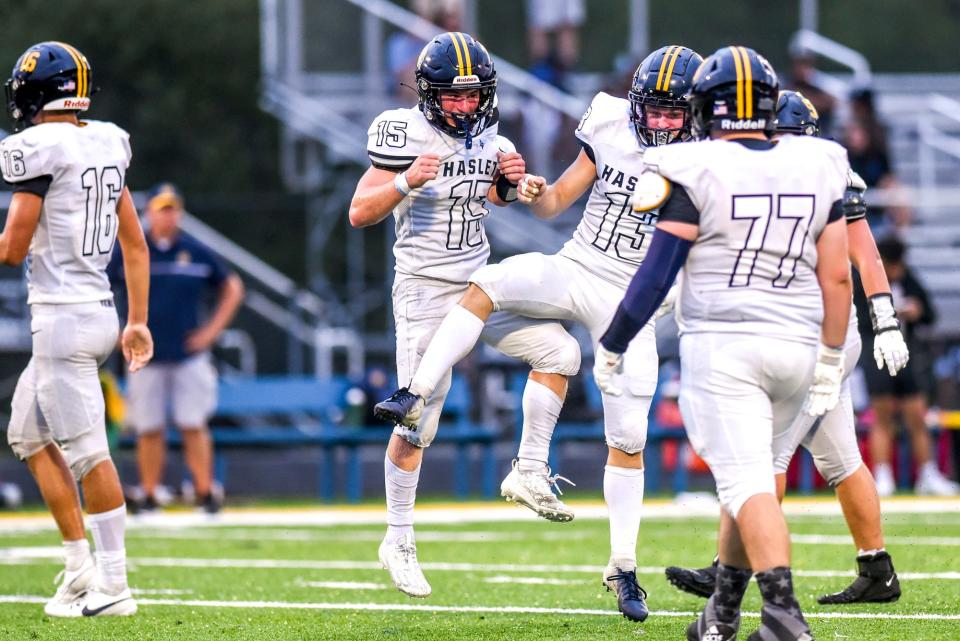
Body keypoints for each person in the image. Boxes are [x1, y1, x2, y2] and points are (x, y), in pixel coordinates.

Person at [374, 44, 704, 622]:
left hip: (637, 299)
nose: (660, 122)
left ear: (696, 113)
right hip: (579, 266)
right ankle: (417, 393)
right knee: (493, 281)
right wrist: (533, 192)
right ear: (634, 106)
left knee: (627, 437)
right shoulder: (608, 122)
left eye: (674, 113)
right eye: (652, 110)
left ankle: (622, 566)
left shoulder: (715, 162)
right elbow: (554, 204)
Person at [594, 47, 853, 641]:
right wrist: (834, 357)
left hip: (727, 346)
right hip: (801, 343)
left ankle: (785, 615)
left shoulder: (694, 165)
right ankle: (725, 612)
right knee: (752, 473)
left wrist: (612, 344)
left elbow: (656, 274)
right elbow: (837, 274)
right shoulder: (820, 158)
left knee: (746, 484)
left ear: (704, 107)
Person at [348, 32, 581, 599]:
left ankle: (528, 469)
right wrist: (405, 180)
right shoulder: (402, 131)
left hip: (479, 284)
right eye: (452, 97)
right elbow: (359, 212)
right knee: (418, 422)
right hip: (426, 288)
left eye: (472, 96)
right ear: (428, 96)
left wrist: (518, 184)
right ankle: (397, 538)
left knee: (563, 352)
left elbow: (495, 196)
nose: (464, 106)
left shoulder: (490, 137)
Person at [664, 90, 909, 607]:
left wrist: (885, 320)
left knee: (761, 459)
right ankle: (877, 567)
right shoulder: (796, 175)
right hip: (809, 337)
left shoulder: (816, 178)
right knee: (842, 459)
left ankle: (727, 577)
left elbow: (860, 257)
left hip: (812, 340)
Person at [1, 41, 153, 617]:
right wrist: (137, 320)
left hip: (62, 319)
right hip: (100, 311)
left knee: (90, 454)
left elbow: (14, 247)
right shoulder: (107, 140)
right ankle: (78, 568)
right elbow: (134, 243)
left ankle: (114, 587)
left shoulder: (38, 146)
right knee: (28, 435)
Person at [108, 183, 245, 514]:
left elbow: (232, 287)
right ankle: (150, 493)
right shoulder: (133, 248)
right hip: (145, 354)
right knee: (148, 426)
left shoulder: (194, 250)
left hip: (188, 354)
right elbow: (102, 284)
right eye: (161, 208)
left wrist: (209, 333)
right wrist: (116, 330)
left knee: (192, 423)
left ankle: (203, 491)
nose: (168, 215)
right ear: (148, 212)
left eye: (172, 208)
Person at [858, 235, 957, 496]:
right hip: (877, 354)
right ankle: (882, 475)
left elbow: (930, 315)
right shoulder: (866, 277)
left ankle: (928, 474)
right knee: (882, 417)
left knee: (917, 416)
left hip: (907, 353)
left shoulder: (908, 277)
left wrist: (917, 311)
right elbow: (859, 320)